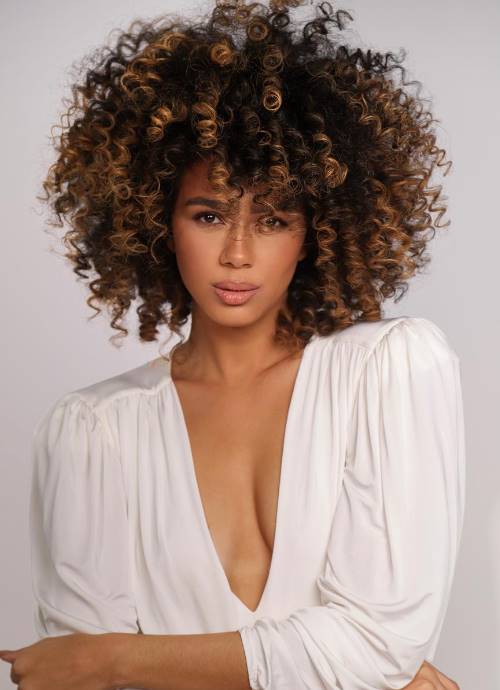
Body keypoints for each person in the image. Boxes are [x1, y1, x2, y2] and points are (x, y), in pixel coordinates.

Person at [0, 0, 465, 688]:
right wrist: (344, 665)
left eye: (273, 220)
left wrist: (115, 657)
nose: (238, 253)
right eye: (209, 215)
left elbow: (376, 642)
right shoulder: (94, 432)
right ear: (158, 220)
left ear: (314, 233)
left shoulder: (388, 373)